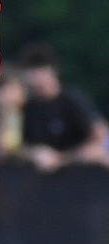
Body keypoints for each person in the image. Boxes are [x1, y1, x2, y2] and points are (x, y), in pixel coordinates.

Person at [15, 41, 109, 171]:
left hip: (80, 175)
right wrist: (34, 153)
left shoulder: (72, 100)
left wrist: (65, 159)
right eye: (32, 71)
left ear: (52, 70)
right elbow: (17, 147)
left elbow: (100, 134)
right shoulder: (28, 107)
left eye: (40, 70)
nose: (36, 78)